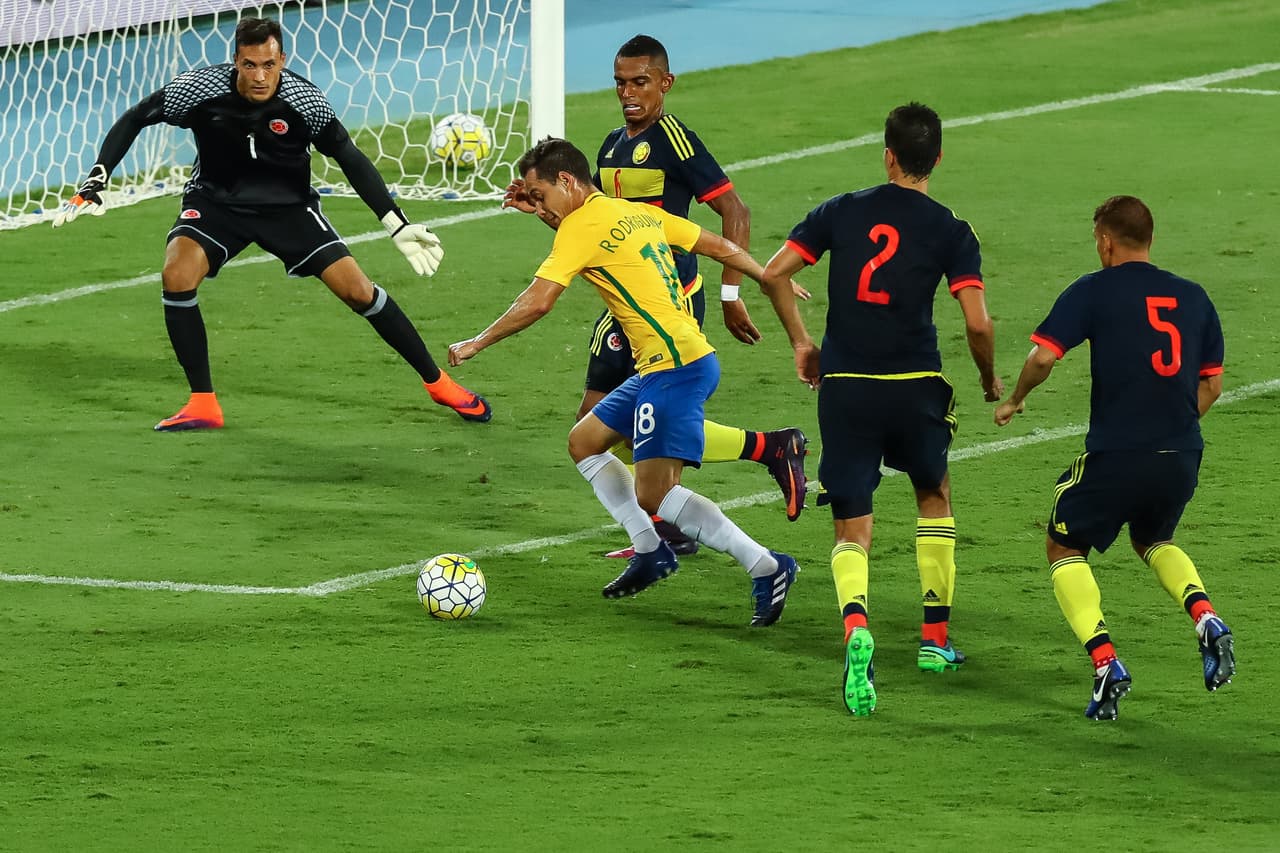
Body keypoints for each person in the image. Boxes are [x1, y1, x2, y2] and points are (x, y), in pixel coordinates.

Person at [52, 16, 490, 430]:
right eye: (249, 65)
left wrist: (396, 223)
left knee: (359, 291)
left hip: (288, 209)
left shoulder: (305, 101)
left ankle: (439, 384)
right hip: (216, 204)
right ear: (236, 61)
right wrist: (97, 177)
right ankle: (202, 402)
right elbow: (135, 118)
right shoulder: (198, 90)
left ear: (282, 61)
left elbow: (350, 158)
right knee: (177, 273)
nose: (259, 75)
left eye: (268, 64)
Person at [451, 137, 799, 627]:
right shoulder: (629, 211)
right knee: (585, 441)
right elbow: (716, 244)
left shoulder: (580, 228)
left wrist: (477, 343)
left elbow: (539, 300)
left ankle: (766, 565)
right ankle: (650, 550)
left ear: (567, 182)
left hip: (673, 367)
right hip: (678, 357)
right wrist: (767, 275)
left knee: (655, 494)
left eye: (541, 196)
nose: (540, 207)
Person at [502, 34, 809, 560]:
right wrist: (541, 206)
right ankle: (733, 471)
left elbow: (735, 212)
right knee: (597, 421)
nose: (628, 92)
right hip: (622, 301)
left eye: (640, 82)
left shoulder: (675, 141)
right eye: (620, 82)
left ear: (665, 83)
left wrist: (732, 293)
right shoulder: (609, 146)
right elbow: (590, 219)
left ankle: (689, 507)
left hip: (671, 299)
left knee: (629, 420)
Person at [759, 102, 1002, 715]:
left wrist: (801, 342)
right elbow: (977, 322)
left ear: (887, 154)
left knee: (852, 525)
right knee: (934, 493)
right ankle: (934, 640)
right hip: (915, 382)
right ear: (937, 158)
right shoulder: (952, 228)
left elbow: (774, 273)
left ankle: (856, 630)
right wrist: (989, 376)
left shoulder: (841, 211)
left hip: (847, 386)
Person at [994, 195, 1234, 721]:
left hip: (1119, 451)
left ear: (1105, 241)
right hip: (1182, 452)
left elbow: (1044, 356)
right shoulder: (1194, 297)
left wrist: (1016, 399)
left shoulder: (1094, 290)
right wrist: (1171, 427)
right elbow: (1212, 386)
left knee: (1063, 544)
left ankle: (1106, 664)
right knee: (1153, 538)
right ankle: (1207, 617)